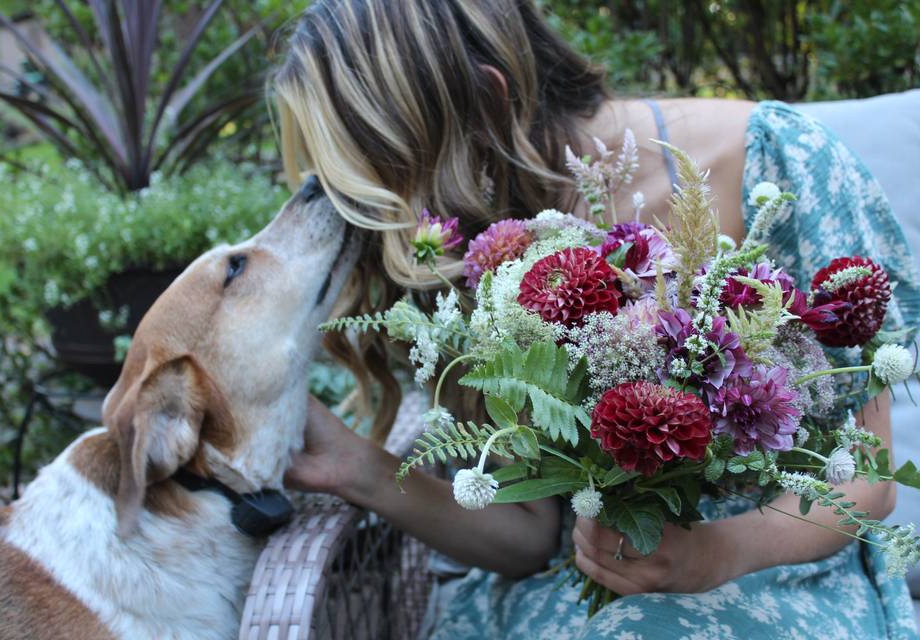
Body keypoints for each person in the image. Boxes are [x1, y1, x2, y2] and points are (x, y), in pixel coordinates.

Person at [274, 1, 920, 637]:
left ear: (490, 102)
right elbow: (531, 535)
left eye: (394, 172)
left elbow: (868, 480)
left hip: (777, 575)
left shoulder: (776, 162)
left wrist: (714, 553)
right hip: (575, 600)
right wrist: (359, 470)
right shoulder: (478, 252)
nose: (401, 223)